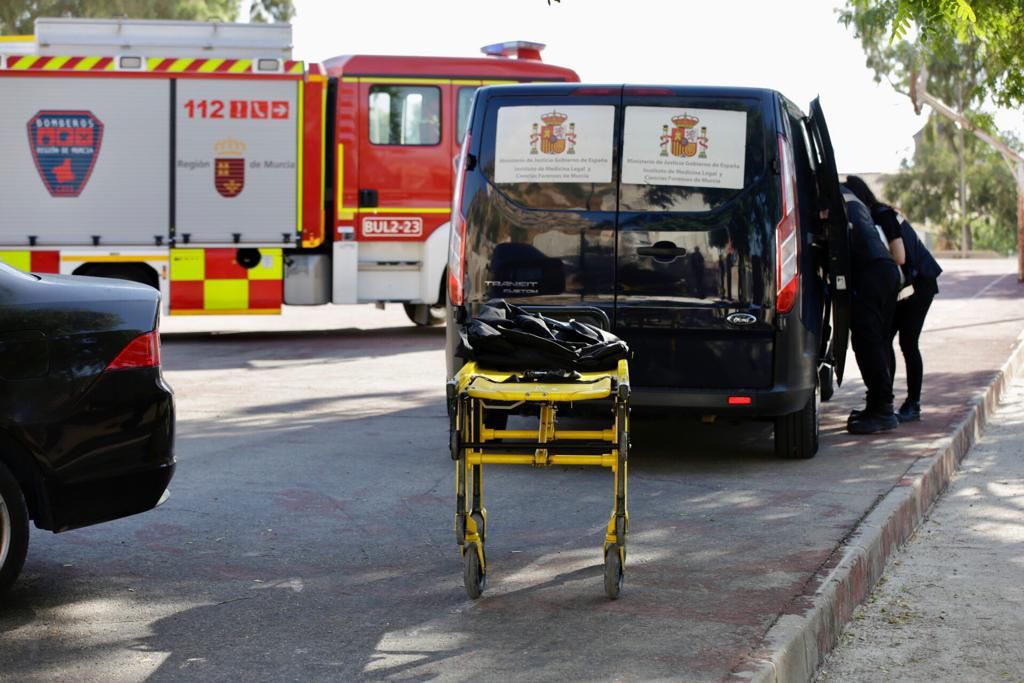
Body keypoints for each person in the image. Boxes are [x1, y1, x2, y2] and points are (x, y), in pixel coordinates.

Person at [845, 175, 942, 422]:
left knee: (908, 343)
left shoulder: (882, 215)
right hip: (903, 287)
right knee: (885, 339)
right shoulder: (873, 217)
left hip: (919, 284)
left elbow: (898, 256)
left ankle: (913, 403)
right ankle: (884, 400)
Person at [841, 181, 904, 434]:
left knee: (868, 342)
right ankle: (878, 405)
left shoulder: (837, 198)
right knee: (875, 342)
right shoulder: (852, 201)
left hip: (873, 275)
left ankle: (883, 410)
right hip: (884, 273)